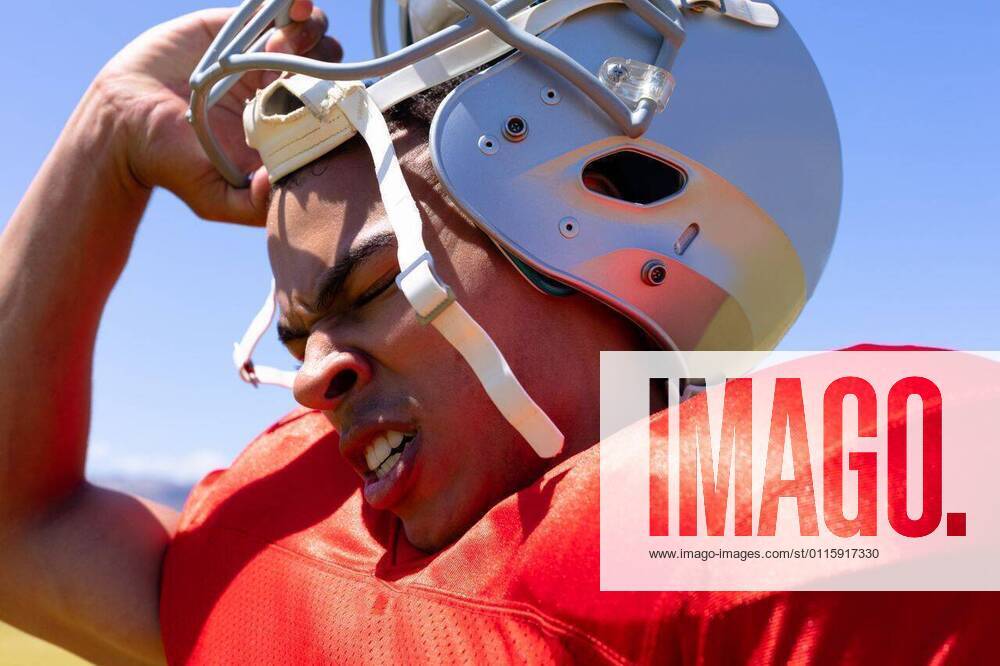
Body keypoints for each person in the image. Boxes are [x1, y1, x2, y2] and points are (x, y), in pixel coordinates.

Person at [0, 1, 993, 664]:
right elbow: (17, 531)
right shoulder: (307, 547)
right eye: (300, 334)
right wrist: (105, 137)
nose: (310, 381)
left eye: (373, 285)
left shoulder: (798, 501)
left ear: (604, 219)